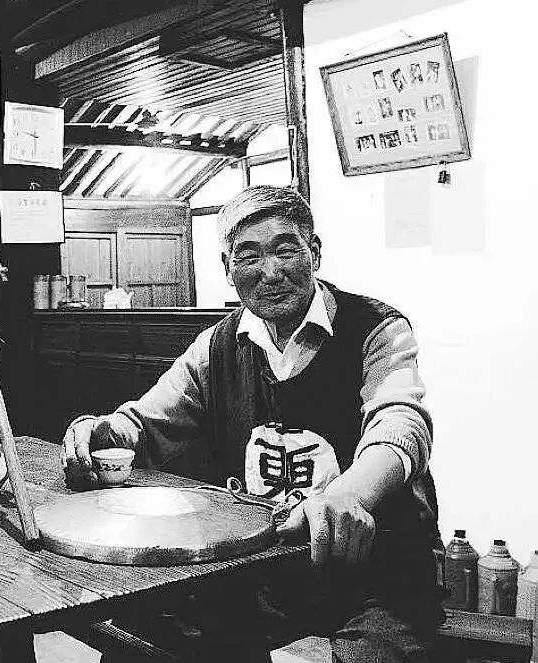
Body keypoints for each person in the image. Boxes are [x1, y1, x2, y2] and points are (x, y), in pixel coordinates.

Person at [61, 185, 442, 662]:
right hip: (263, 571)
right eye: (249, 256)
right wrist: (101, 431)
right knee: (137, 638)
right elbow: (147, 422)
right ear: (228, 268)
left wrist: (351, 494)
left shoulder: (376, 328)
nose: (270, 271)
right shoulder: (216, 345)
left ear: (315, 252)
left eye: (286, 250)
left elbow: (400, 421)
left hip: (378, 573)